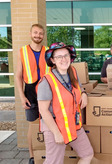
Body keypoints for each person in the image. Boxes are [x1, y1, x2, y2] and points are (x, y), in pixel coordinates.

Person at [37, 42, 94, 164]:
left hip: (73, 122)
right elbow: (43, 110)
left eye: (66, 55)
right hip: (55, 127)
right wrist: (56, 133)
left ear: (70, 57)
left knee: (87, 154)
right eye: (59, 57)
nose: (63, 59)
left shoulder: (72, 71)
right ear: (52, 60)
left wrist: (83, 93)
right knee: (54, 162)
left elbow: (78, 86)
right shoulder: (46, 81)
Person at [16, 24, 50, 164]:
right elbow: (18, 75)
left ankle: (48, 153)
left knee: (48, 123)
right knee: (33, 125)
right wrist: (22, 97)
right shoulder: (23, 51)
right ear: (30, 33)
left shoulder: (48, 51)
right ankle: (32, 156)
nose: (38, 35)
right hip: (30, 92)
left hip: (47, 90)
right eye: (35, 33)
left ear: (43, 35)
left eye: (41, 33)